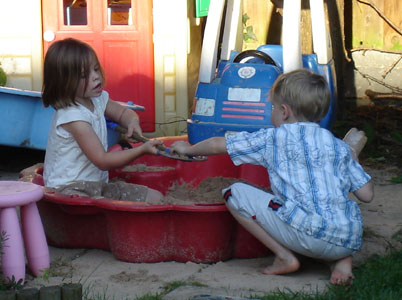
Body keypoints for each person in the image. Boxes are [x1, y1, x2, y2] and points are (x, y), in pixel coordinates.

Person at [171, 69, 374, 285]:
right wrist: (354, 158)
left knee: (234, 192)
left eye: (272, 107)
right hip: (347, 239)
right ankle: (342, 261)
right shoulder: (339, 146)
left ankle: (284, 256)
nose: (272, 112)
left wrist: (188, 149)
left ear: (284, 111)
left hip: (305, 235)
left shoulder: (273, 138)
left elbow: (217, 144)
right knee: (334, 210)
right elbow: (366, 194)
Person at [42, 38, 163, 203]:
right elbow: (102, 160)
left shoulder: (98, 99)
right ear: (65, 83)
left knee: (155, 197)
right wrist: (141, 150)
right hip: (68, 190)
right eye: (85, 75)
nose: (96, 77)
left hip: (97, 185)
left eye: (96, 69)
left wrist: (132, 122)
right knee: (101, 210)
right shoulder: (73, 116)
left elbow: (123, 114)